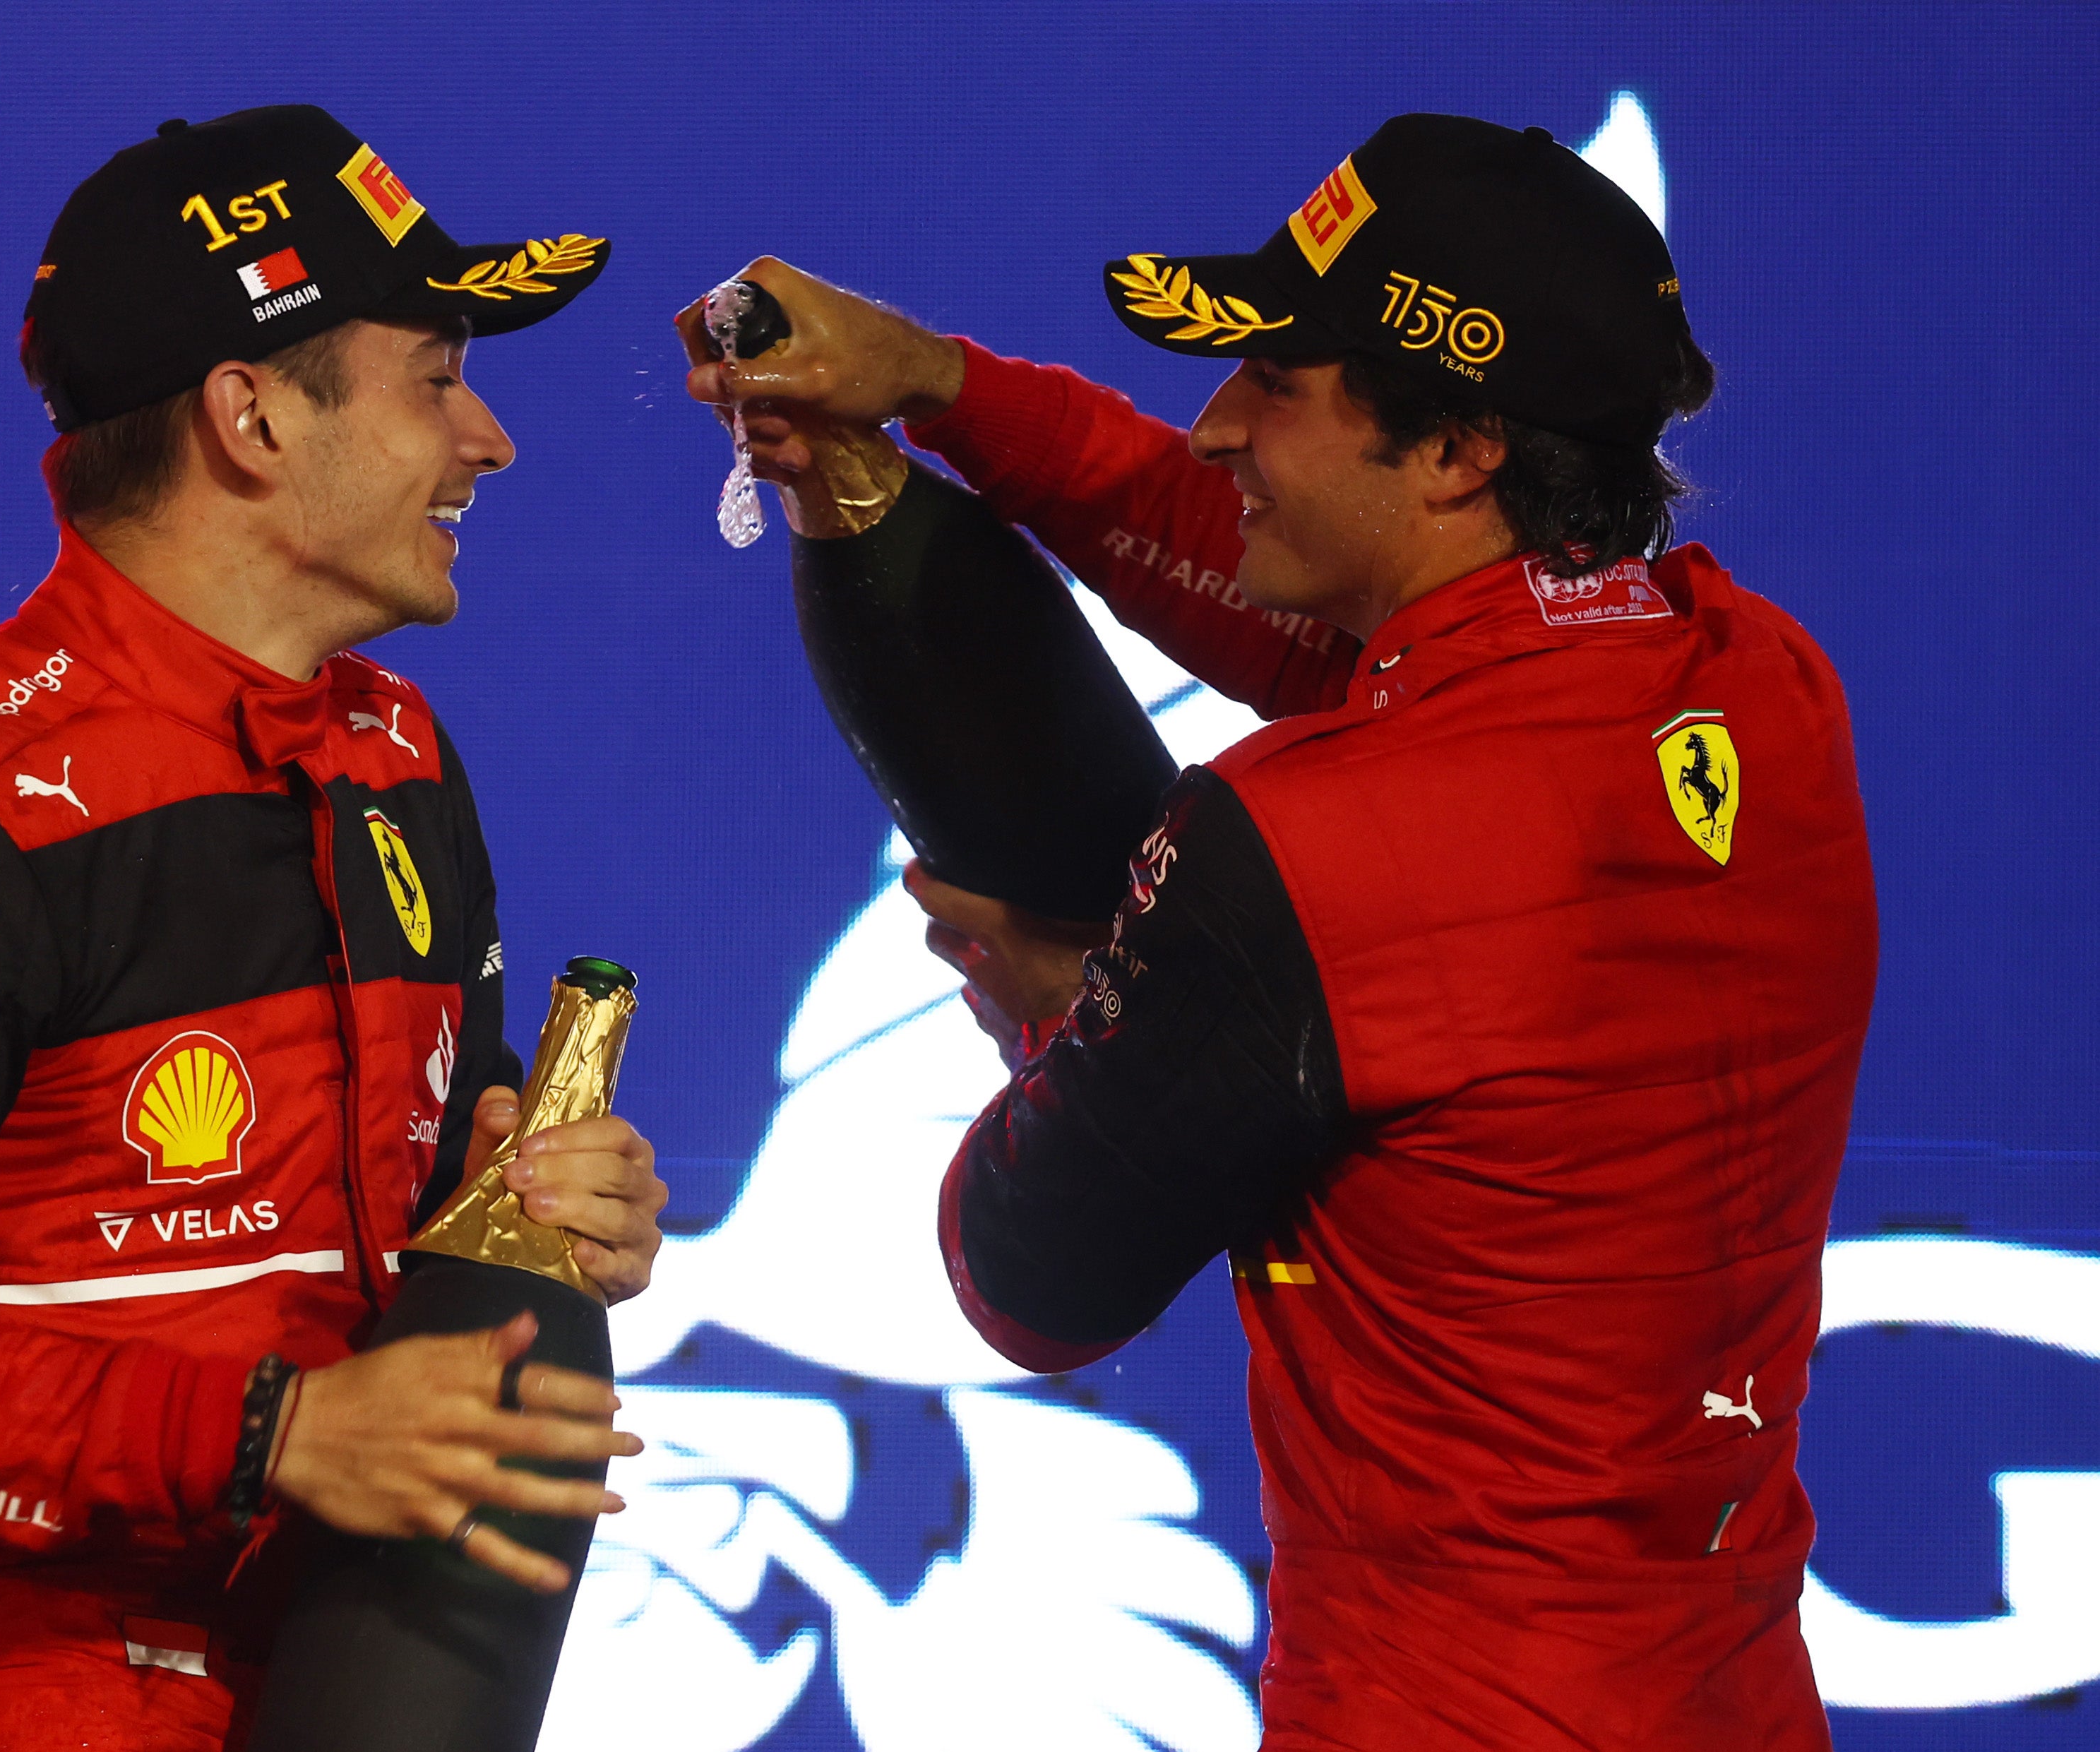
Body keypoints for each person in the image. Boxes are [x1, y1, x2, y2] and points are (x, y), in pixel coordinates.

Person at [688, 114, 1873, 1749]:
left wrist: (1062, 1005)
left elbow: (1026, 1280)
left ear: (1459, 447)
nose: (1219, 424)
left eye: (1278, 384)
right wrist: (938, 385)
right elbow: (1288, 604)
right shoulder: (1759, 681)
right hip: (1731, 1698)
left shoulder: (1300, 846)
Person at [0, 105, 666, 1750]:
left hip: (374, 1681)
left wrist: (554, 1195)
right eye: (436, 372)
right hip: (40, 1691)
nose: (485, 438)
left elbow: (442, 1171)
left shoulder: (397, 753)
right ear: (253, 412)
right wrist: (271, 1427)